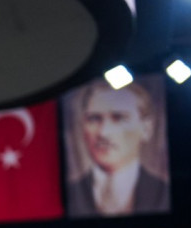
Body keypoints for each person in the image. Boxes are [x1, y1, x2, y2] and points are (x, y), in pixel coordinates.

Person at [66, 80, 169, 217]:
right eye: (94, 119)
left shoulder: (164, 191)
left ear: (146, 128)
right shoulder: (67, 194)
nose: (104, 132)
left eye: (118, 118)